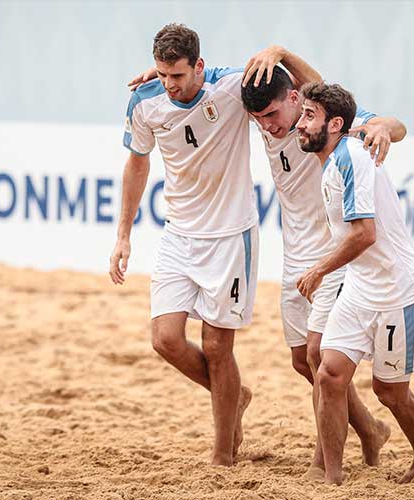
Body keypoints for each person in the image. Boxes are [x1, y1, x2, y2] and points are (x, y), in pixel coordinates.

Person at [240, 48, 407, 479]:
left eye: (274, 113)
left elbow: (391, 124)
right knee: (302, 360)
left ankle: (324, 462)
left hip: (333, 256)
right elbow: (200, 81)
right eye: (259, 118)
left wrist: (384, 128)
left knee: (320, 356)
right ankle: (369, 429)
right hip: (294, 253)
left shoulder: (318, 125)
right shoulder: (270, 120)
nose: (268, 124)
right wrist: (154, 76)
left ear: (297, 99)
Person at [109, 23, 262, 466]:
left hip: (232, 236)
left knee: (217, 348)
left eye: (177, 75)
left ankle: (222, 455)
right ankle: (234, 395)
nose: (169, 85)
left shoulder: (232, 87)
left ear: (199, 65)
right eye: (162, 74)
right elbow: (137, 165)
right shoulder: (146, 100)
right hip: (179, 234)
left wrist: (277, 51)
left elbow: (294, 88)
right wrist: (124, 233)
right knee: (165, 339)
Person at [294, 81, 414, 485]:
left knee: (389, 392)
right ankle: (332, 479)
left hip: (399, 291)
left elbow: (365, 234)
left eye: (309, 117)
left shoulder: (353, 158)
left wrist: (319, 270)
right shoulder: (335, 150)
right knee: (328, 373)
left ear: (336, 123)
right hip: (362, 286)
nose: (299, 125)